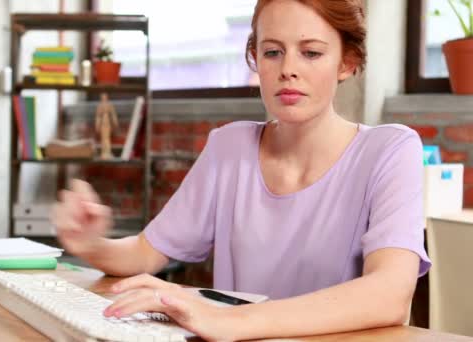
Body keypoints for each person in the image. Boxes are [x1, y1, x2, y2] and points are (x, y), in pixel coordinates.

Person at [51, 0, 431, 340]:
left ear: (346, 63)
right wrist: (91, 245)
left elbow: (389, 295)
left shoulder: (390, 151)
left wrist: (228, 321)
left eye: (311, 53)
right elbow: (147, 252)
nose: (288, 70)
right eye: (272, 52)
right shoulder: (229, 147)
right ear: (256, 60)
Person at [95, 92, 119, 159]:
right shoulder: (100, 106)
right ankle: (103, 153)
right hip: (103, 123)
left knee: (107, 138)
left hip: (108, 123)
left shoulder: (109, 105)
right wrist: (97, 125)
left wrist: (115, 122)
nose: (103, 97)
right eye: (102, 96)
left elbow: (113, 114)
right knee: (103, 138)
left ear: (107, 97)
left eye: (104, 96)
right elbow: (98, 117)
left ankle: (108, 152)